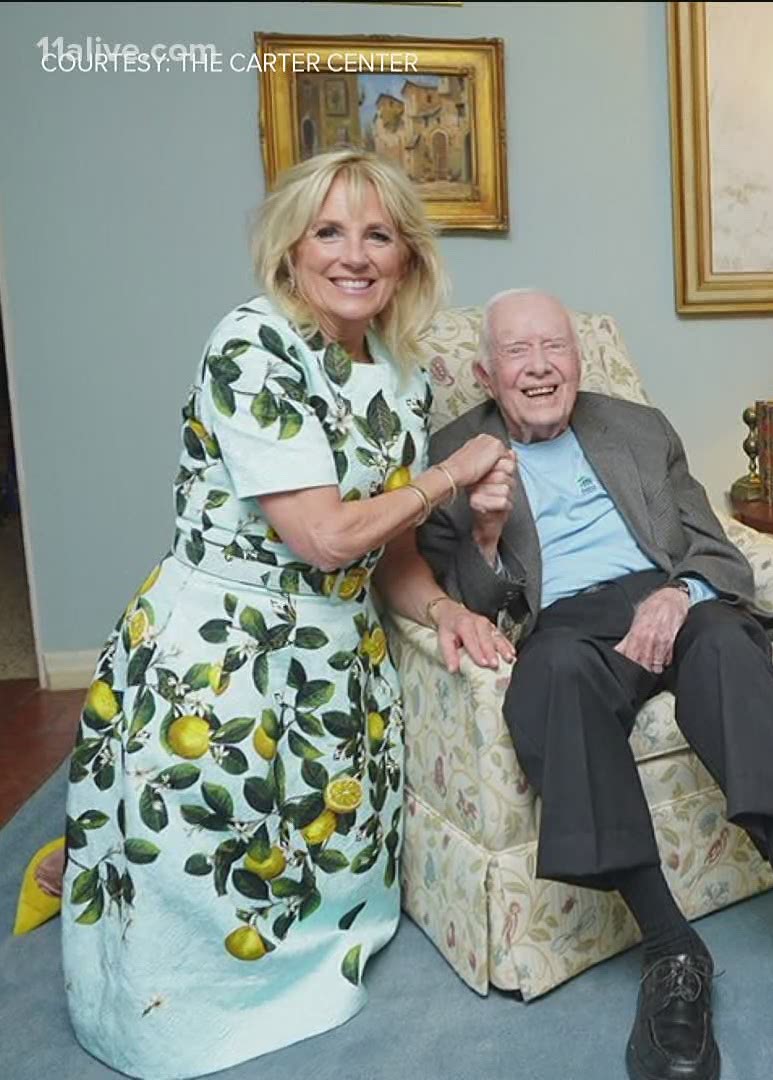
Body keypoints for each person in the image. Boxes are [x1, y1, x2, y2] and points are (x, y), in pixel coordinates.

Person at [57, 148, 513, 1078]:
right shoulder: (250, 345)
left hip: (336, 660)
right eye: (330, 232)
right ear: (292, 250)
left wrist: (442, 609)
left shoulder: (403, 374)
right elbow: (325, 537)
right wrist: (450, 473)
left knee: (312, 863)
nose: (355, 255)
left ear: (407, 259)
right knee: (198, 860)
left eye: (378, 235)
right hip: (223, 656)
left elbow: (388, 556)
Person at [403, 289, 773, 1080]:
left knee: (729, 646)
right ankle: (671, 949)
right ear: (487, 372)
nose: (542, 367)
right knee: (549, 676)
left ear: (578, 360)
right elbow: (481, 610)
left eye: (555, 347)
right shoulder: (455, 455)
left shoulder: (637, 427)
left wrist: (678, 594)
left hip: (667, 594)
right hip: (566, 626)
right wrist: (484, 533)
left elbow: (718, 552)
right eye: (519, 353)